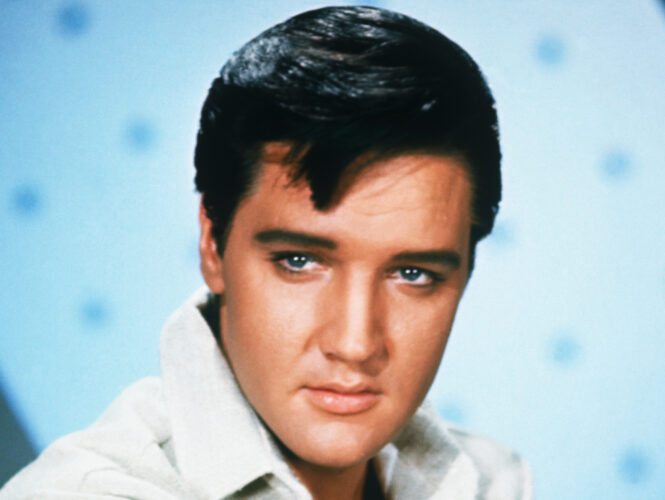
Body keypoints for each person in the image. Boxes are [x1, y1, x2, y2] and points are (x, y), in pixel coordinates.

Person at [1, 6, 532, 500]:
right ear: (213, 244)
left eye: (413, 273)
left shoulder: (491, 481)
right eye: (299, 261)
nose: (354, 344)